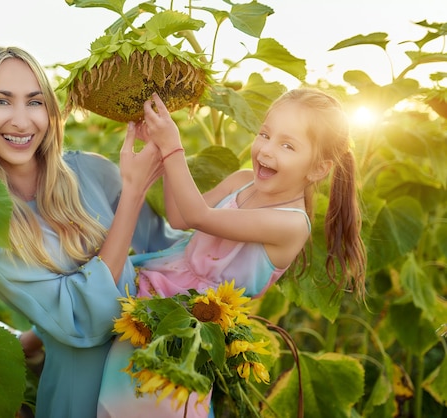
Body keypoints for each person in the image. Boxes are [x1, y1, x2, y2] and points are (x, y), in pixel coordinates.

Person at [0, 47, 185, 418]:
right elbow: (83, 320)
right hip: (81, 396)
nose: (22, 121)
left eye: (34, 102)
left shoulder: (91, 170)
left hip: (160, 386)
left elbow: (166, 257)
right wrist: (132, 194)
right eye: (2, 101)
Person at [97, 89, 367, 417]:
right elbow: (180, 216)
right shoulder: (242, 181)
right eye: (265, 134)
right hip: (155, 296)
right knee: (115, 401)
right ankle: (33, 344)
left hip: (193, 327)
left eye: (287, 145)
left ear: (317, 169)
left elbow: (199, 216)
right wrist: (158, 145)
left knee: (156, 404)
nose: (266, 150)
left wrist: (173, 147)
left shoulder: (292, 224)